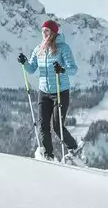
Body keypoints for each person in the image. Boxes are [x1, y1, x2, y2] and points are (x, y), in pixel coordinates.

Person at [17, 20, 81, 161]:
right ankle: (48, 155)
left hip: (60, 91)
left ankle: (74, 148)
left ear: (53, 32)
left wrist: (62, 70)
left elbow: (73, 69)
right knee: (43, 125)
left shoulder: (63, 48)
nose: (44, 33)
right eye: (43, 30)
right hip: (44, 91)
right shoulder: (38, 49)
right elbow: (32, 69)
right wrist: (24, 62)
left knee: (57, 126)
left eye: (47, 30)